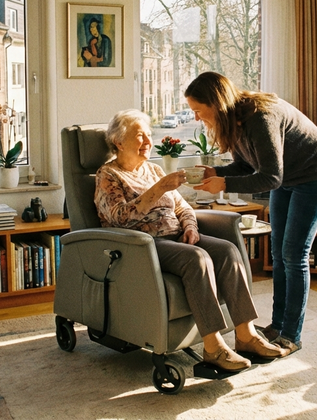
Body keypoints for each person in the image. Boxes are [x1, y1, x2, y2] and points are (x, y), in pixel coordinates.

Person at [94, 109, 289, 371]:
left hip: (175, 236)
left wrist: (190, 226)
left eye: (150, 135)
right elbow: (118, 218)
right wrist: (160, 188)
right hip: (143, 244)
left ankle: (246, 336)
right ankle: (214, 348)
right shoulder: (109, 175)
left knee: (228, 251)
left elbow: (183, 206)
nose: (149, 142)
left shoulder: (152, 169)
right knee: (196, 259)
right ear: (118, 141)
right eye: (140, 136)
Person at [185, 71, 317, 355]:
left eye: (198, 110)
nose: (196, 118)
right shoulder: (234, 121)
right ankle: (277, 326)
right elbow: (247, 165)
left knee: (294, 256)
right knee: (278, 254)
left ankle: (292, 335)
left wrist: (224, 183)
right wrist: (215, 172)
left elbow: (270, 177)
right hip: (287, 179)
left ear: (216, 103)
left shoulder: (260, 117)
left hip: (314, 175)